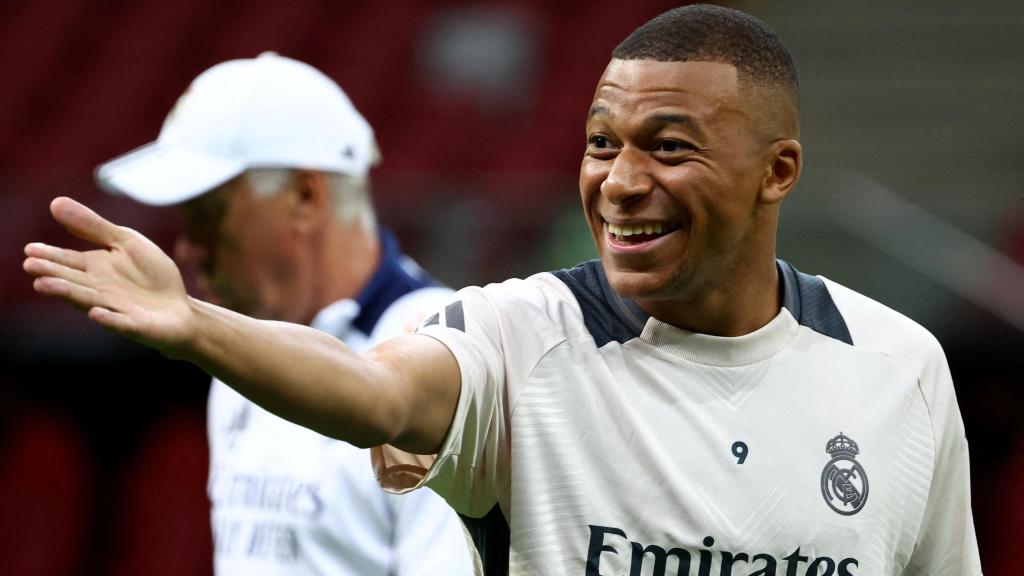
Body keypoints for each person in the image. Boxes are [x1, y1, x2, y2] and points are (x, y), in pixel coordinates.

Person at [24, 6, 982, 575]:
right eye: (602, 142)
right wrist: (195, 328)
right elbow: (377, 391)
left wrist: (199, 326)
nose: (619, 179)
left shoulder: (903, 369)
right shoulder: (516, 333)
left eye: (669, 146)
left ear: (778, 172)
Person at [88, 53, 477, 575]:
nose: (187, 248)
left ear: (305, 195)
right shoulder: (234, 350)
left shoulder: (445, 355)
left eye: (209, 214)